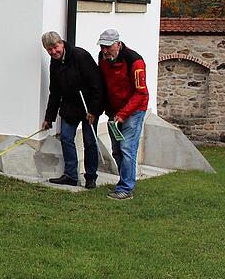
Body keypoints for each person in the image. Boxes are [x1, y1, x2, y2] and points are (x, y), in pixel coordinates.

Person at [41, 31, 105, 189]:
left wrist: (94, 111)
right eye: (49, 50)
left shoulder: (80, 56)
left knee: (89, 142)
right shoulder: (54, 62)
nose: (53, 52)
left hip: (88, 106)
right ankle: (70, 175)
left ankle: (91, 177)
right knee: (66, 138)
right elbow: (55, 92)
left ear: (61, 43)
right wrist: (49, 118)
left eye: (55, 47)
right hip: (70, 107)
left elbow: (97, 85)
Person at [97, 29, 148, 200]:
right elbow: (103, 87)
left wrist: (124, 114)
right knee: (117, 150)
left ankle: (126, 188)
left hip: (133, 111)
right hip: (114, 112)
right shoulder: (102, 60)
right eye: (102, 47)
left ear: (118, 44)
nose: (105, 51)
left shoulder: (135, 61)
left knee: (127, 149)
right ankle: (123, 181)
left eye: (108, 47)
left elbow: (141, 93)